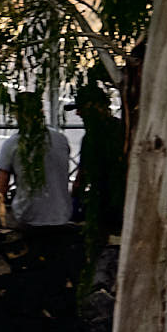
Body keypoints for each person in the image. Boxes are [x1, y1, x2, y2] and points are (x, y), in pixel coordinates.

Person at [0, 92, 72, 228]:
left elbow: (1, 189)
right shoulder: (61, 139)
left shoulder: (12, 144)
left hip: (27, 217)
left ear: (18, 114)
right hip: (62, 215)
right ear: (42, 112)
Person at [70, 81, 127, 237]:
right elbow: (82, 175)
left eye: (82, 108)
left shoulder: (111, 135)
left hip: (111, 207)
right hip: (108, 207)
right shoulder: (115, 131)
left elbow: (82, 177)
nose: (78, 113)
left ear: (97, 106)